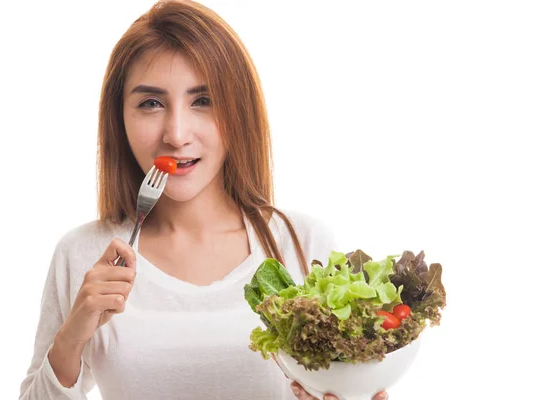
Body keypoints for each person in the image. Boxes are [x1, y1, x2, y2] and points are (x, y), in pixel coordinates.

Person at [19, 1, 389, 399]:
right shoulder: (83, 254)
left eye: (203, 100)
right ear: (119, 118)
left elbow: (349, 386)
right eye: (151, 103)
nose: (176, 134)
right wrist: (72, 337)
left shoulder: (301, 243)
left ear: (239, 110)